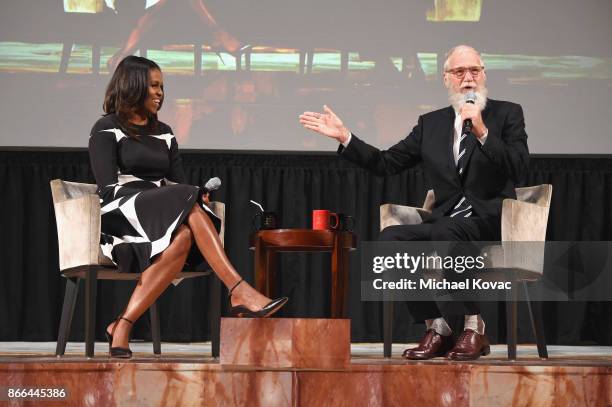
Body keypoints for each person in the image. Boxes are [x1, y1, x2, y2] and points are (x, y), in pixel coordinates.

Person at [299, 45, 529, 360]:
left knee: (445, 232)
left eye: (474, 70)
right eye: (459, 72)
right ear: (446, 79)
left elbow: (519, 167)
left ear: (484, 74)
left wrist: (483, 131)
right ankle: (438, 326)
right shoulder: (430, 124)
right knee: (391, 238)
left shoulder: (507, 114)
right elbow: (386, 163)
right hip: (446, 223)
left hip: (489, 220)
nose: (468, 78)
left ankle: (474, 325)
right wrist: (345, 138)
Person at [89, 55, 287, 358]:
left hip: (160, 209)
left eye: (162, 87)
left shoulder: (165, 130)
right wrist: (181, 195)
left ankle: (123, 325)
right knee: (186, 201)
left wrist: (197, 195)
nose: (160, 93)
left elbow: (178, 181)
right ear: (134, 84)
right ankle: (238, 289)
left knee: (183, 236)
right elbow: (105, 186)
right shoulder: (106, 128)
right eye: (154, 86)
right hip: (121, 211)